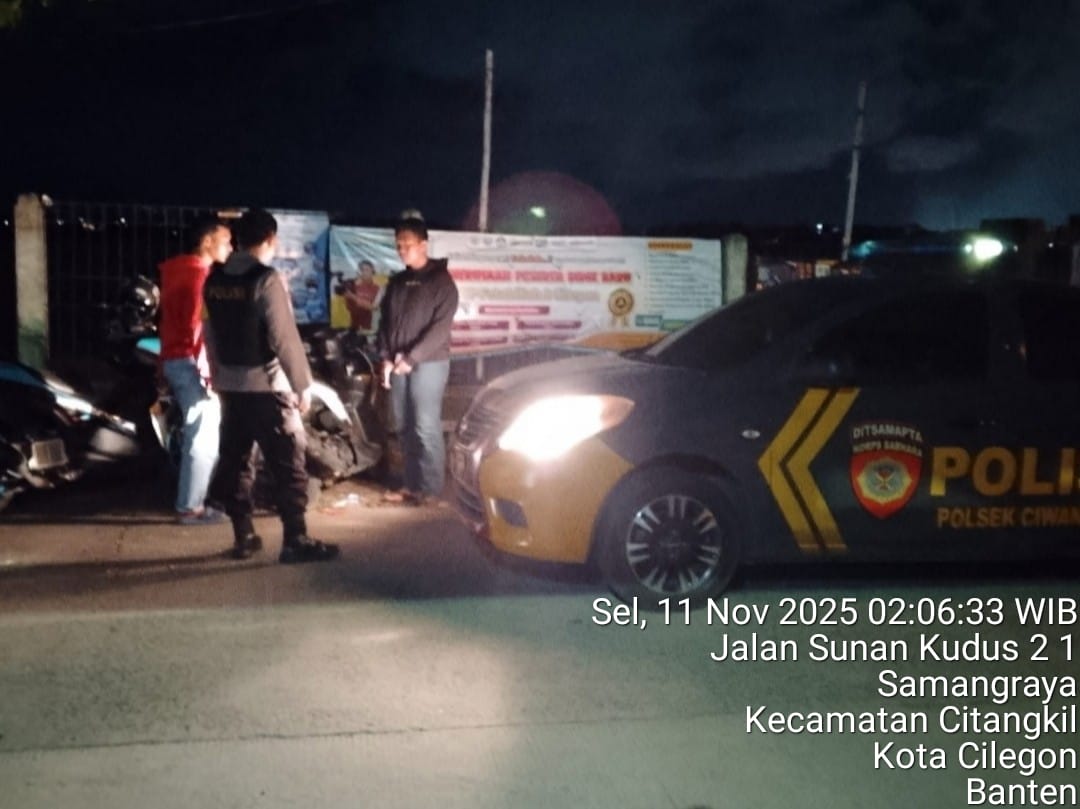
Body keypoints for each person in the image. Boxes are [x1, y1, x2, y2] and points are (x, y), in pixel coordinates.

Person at [202, 208, 339, 563]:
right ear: (270, 239)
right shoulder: (267, 279)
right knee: (288, 464)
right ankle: (295, 539)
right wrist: (302, 385)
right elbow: (284, 337)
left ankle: (244, 536)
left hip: (231, 388)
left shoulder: (214, 280)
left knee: (237, 462)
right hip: (268, 388)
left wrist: (218, 377)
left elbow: (210, 334)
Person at [376, 215, 459, 504]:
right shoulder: (398, 282)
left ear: (423, 245)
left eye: (407, 245)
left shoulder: (441, 282)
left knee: (425, 425)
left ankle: (432, 488)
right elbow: (385, 322)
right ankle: (411, 485)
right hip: (398, 364)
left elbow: (440, 329)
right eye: (398, 245)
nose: (402, 250)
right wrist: (386, 358)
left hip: (429, 363)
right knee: (403, 425)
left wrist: (412, 358)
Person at [157, 215, 233, 525]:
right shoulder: (198, 277)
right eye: (226, 240)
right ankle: (190, 507)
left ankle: (193, 502)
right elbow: (196, 330)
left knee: (198, 433)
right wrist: (208, 374)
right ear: (207, 242)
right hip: (191, 362)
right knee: (203, 436)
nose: (230, 247)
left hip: (175, 359)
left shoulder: (176, 272)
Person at [342, 259, 384, 332]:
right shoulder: (353, 287)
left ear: (372, 271)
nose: (364, 272)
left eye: (367, 270)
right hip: (355, 327)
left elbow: (373, 307)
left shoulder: (378, 288)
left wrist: (353, 297)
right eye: (362, 270)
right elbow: (350, 307)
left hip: (370, 328)